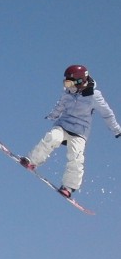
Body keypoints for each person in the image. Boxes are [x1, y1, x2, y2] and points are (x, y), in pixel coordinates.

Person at [20, 65, 121, 197]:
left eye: (69, 82)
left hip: (80, 132)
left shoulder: (94, 96)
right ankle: (32, 161)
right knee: (52, 137)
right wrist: (53, 115)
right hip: (63, 125)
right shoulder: (67, 93)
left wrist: (116, 130)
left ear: (79, 80)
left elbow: (107, 114)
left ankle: (69, 187)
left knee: (76, 156)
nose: (67, 85)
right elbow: (60, 105)